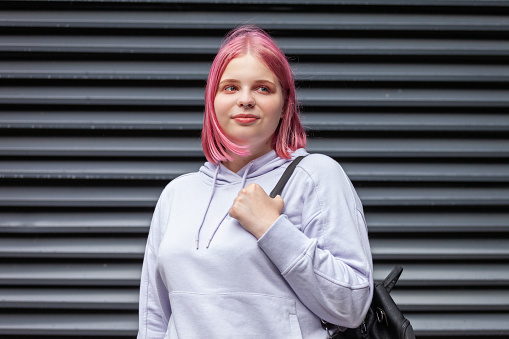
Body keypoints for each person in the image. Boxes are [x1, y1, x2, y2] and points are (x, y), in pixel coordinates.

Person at [137, 25, 373, 339]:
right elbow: (154, 319)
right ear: (212, 100)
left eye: (263, 88)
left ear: (285, 104)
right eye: (230, 87)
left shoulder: (315, 177)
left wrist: (273, 229)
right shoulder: (177, 194)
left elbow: (352, 305)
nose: (246, 99)